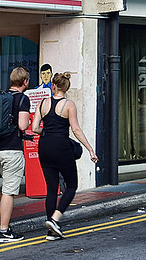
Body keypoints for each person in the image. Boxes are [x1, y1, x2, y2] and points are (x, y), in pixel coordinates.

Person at [31, 70, 97, 241]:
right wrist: (90, 149)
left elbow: (34, 128)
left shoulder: (43, 103)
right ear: (66, 88)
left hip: (44, 146)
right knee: (72, 185)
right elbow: (75, 130)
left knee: (51, 189)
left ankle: (50, 230)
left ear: (53, 86)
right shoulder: (69, 105)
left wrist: (47, 131)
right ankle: (55, 219)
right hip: (61, 146)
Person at [0, 66, 31, 242]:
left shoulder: (0, 97)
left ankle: (5, 226)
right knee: (8, 191)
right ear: (25, 82)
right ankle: (4, 230)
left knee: (7, 188)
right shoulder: (22, 99)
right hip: (12, 150)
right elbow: (22, 125)